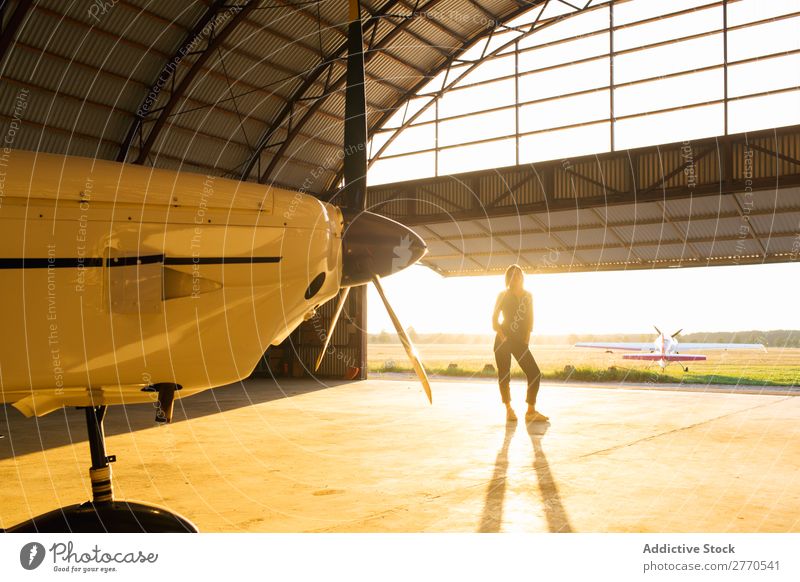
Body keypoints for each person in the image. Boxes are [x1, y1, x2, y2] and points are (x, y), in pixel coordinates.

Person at [491, 264, 548, 423]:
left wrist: (527, 338)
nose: (516, 278)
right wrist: (502, 336)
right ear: (508, 278)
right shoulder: (502, 295)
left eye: (519, 275)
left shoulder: (528, 296)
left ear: (522, 277)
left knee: (534, 373)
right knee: (504, 375)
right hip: (503, 339)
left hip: (519, 341)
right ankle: (509, 410)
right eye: (512, 275)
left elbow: (530, 318)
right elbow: (494, 319)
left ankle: (531, 411)